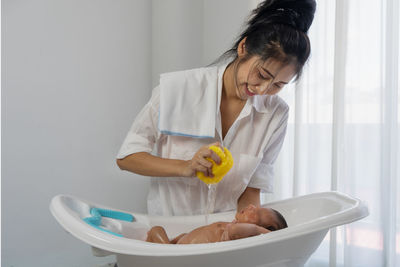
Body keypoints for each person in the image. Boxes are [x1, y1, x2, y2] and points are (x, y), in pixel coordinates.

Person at [116, 0, 316, 216]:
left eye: (278, 85)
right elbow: (127, 157)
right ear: (243, 47)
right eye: (262, 75)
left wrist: (248, 232)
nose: (263, 89)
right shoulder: (178, 89)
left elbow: (251, 191)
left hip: (224, 236)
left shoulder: (276, 114)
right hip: (171, 235)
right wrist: (185, 167)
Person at [146, 204, 288, 244]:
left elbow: (247, 230)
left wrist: (261, 233)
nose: (251, 206)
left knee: (156, 230)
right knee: (158, 231)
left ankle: (161, 249)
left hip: (177, 255)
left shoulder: (239, 234)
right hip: (179, 244)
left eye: (257, 213)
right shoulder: (233, 226)